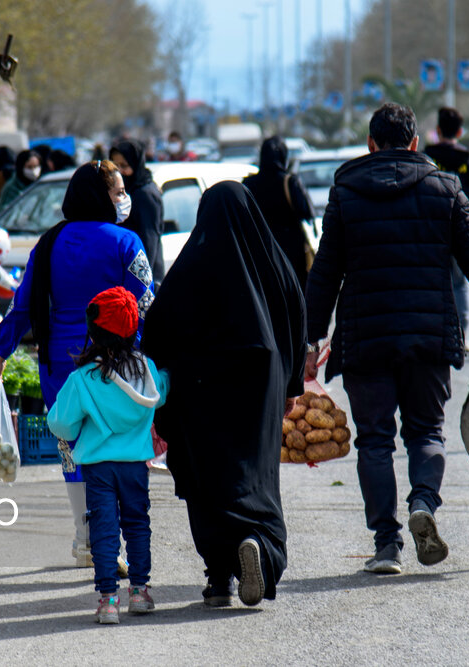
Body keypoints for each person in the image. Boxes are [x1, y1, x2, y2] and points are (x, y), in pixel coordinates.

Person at [305, 103, 469, 573]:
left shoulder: (346, 191)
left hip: (366, 337)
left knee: (375, 441)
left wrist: (310, 340)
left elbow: (325, 271)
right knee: (425, 431)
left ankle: (386, 545)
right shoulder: (445, 188)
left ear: (371, 145)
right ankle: (423, 503)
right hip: (426, 336)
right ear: (416, 143)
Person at [142, 181, 306, 608]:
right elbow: (296, 313)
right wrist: (290, 386)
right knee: (256, 475)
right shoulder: (273, 261)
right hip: (260, 382)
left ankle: (218, 579)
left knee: (206, 481)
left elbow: (156, 328)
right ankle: (257, 544)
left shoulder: (191, 264)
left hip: (199, 391)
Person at [0, 161, 154, 567]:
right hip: (118, 362)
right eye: (117, 192)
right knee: (117, 449)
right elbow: (147, 303)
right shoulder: (126, 242)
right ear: (100, 196)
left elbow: (22, 306)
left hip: (60, 366)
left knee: (73, 451)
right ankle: (109, 541)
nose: (122, 199)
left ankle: (85, 539)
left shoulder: (47, 244)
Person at [47, 287, 169, 625]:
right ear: (133, 330)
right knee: (137, 524)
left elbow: (60, 423)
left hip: (98, 468)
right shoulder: (147, 371)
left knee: (103, 528)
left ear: (93, 331)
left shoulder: (82, 379)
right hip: (135, 467)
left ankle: (108, 600)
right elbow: (161, 393)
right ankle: (140, 592)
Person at [425, 107, 469, 354]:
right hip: (462, 231)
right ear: (460, 131)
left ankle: (436, 334)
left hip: (431, 231)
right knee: (460, 284)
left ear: (438, 131)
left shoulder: (427, 157)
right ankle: (462, 335)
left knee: (434, 283)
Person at [242, 136, 316, 291]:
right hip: (291, 254)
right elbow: (307, 212)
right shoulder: (289, 181)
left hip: (260, 253)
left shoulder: (248, 184)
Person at [110, 138, 165, 284]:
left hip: (142, 279)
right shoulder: (123, 192)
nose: (119, 171)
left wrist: (141, 281)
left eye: (125, 165)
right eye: (115, 166)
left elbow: (149, 240)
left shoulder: (144, 193)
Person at [0, 149, 41, 214]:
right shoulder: (11, 188)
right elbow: (5, 213)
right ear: (21, 167)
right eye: (29, 167)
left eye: (36, 166)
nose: (33, 171)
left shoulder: (40, 185)